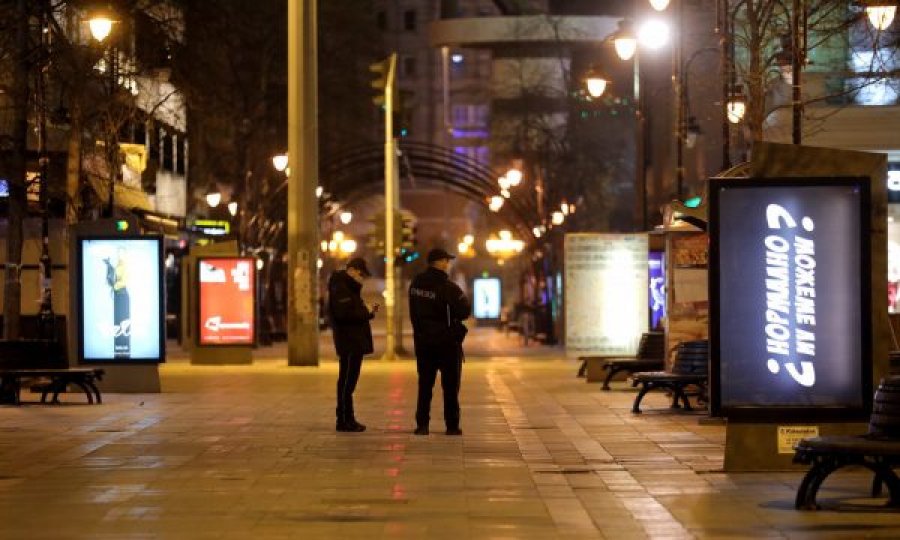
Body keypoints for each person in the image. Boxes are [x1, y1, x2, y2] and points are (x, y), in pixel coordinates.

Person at [408, 248, 471, 435]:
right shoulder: (448, 287)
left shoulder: (415, 284)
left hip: (424, 343)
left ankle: (422, 425)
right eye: (446, 261)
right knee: (450, 387)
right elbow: (464, 311)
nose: (448, 264)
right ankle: (451, 425)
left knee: (425, 385)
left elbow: (413, 314)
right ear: (440, 262)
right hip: (447, 344)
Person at [328, 257, 378, 432]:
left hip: (353, 341)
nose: (362, 278)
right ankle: (343, 420)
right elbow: (344, 314)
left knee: (349, 382)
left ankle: (348, 418)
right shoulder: (340, 286)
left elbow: (353, 311)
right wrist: (365, 311)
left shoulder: (348, 287)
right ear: (354, 270)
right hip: (348, 341)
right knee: (347, 382)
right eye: (362, 274)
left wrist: (368, 312)